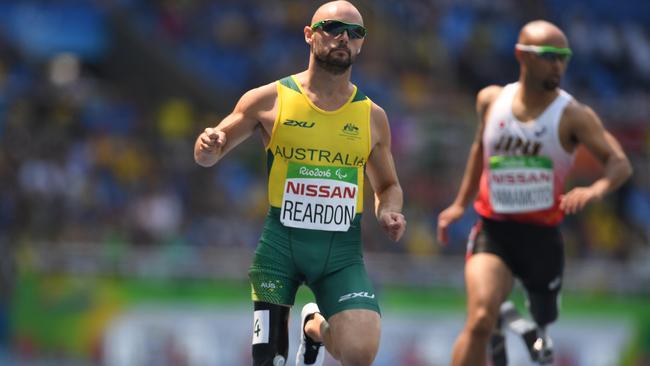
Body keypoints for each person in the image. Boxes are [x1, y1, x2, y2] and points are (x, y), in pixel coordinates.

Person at [194, 1, 406, 365]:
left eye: (355, 33)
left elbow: (388, 186)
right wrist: (207, 145)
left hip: (340, 255)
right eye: (334, 28)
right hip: (280, 250)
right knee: (269, 361)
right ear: (309, 35)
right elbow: (209, 153)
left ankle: (313, 329)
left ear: (361, 45)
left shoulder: (372, 117)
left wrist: (390, 211)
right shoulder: (268, 100)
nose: (344, 37)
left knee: (360, 353)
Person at [436, 20, 632, 366]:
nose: (558, 65)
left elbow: (619, 164)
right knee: (480, 318)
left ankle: (518, 319)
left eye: (563, 57)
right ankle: (498, 317)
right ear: (521, 56)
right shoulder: (491, 100)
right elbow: (479, 151)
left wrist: (595, 189)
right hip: (494, 230)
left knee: (543, 330)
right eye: (549, 56)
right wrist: (458, 204)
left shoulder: (573, 116)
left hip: (543, 238)